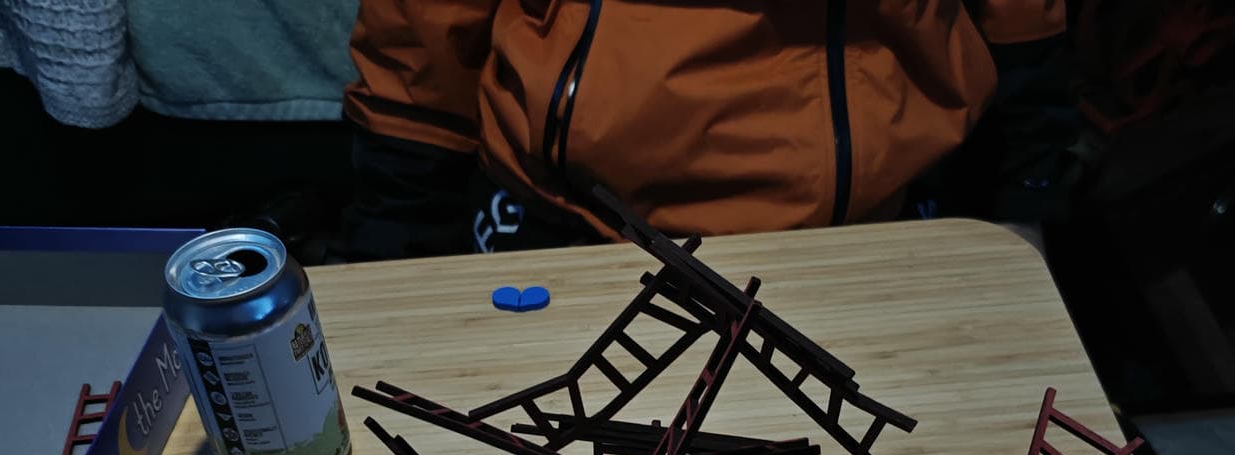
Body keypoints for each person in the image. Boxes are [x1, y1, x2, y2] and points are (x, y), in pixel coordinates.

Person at [338, 1, 1078, 261]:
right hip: (566, 220)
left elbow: (1021, 22)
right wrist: (393, 236)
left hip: (874, 226)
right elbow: (422, 33)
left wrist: (1023, 194)